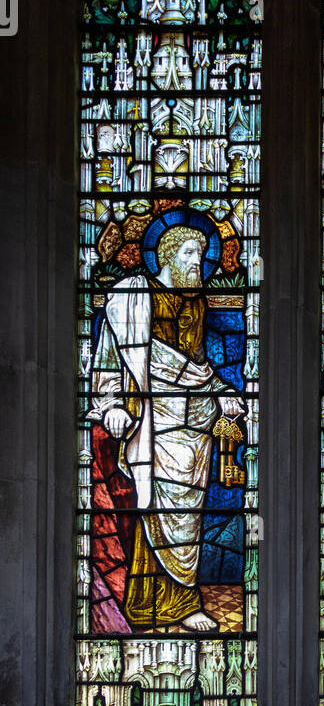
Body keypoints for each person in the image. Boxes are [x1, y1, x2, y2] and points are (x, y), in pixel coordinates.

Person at [87, 225, 246, 632]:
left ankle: (184, 600)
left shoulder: (195, 305)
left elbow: (196, 367)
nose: (199, 263)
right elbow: (108, 360)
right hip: (147, 418)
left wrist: (223, 391)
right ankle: (150, 603)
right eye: (191, 254)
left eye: (202, 254)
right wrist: (111, 406)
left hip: (193, 424)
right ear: (168, 256)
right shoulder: (130, 298)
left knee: (186, 516)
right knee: (150, 506)